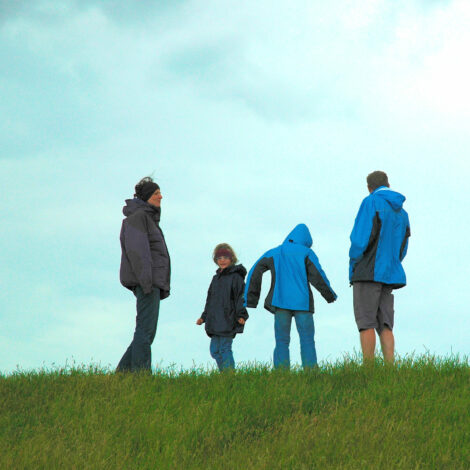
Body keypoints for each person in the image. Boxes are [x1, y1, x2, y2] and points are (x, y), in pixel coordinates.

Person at [244, 224, 337, 369]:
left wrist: (250, 299)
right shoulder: (306, 252)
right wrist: (329, 295)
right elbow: (318, 276)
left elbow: (254, 272)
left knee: (281, 341)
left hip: (280, 303)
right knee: (307, 340)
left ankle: (281, 374)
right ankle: (311, 372)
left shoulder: (275, 252)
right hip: (303, 304)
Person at [349, 171, 410, 364]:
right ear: (388, 184)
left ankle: (369, 369)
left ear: (369, 188)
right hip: (390, 273)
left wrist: (354, 260)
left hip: (368, 271)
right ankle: (389, 368)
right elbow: (403, 246)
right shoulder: (402, 212)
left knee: (366, 322)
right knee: (385, 323)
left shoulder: (370, 202)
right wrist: (393, 262)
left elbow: (360, 240)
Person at [116, 176, 171, 372]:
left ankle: (122, 374)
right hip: (147, 283)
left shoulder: (147, 218)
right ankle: (141, 375)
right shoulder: (138, 218)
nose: (161, 197)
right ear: (147, 196)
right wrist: (147, 283)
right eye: (156, 193)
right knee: (145, 331)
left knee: (147, 331)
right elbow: (138, 253)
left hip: (151, 282)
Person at [196, 243, 248, 371]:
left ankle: (229, 376)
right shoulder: (215, 279)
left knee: (225, 349)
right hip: (214, 321)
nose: (222, 260)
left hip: (228, 319)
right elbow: (210, 300)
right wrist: (204, 317)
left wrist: (241, 315)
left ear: (231, 259)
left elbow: (241, 297)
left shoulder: (236, 278)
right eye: (219, 258)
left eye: (225, 257)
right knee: (215, 351)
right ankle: (224, 374)